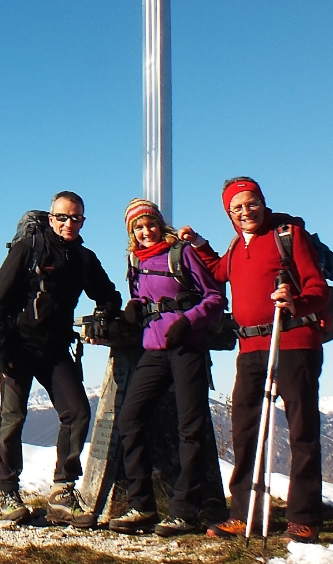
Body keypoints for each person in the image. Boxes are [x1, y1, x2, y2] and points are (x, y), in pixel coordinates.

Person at [195, 177, 328, 544]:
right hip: (250, 348)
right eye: (236, 207)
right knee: (245, 430)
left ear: (263, 203)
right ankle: (244, 514)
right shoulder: (238, 245)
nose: (245, 211)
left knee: (301, 429)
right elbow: (219, 271)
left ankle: (303, 518)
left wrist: (296, 301)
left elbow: (317, 289)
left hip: (294, 341)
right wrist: (198, 245)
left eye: (251, 203)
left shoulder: (288, 235)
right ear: (229, 214)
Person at [0, 191, 121, 525]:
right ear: (51, 218)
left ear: (83, 221)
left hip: (56, 348)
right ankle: (7, 489)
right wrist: (1, 345)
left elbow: (109, 294)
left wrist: (103, 314)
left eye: (75, 218)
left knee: (76, 412)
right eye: (62, 217)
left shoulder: (83, 259)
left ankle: (63, 490)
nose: (68, 223)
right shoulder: (28, 249)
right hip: (18, 346)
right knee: (12, 417)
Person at [109, 199, 224, 537]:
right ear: (132, 232)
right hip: (154, 349)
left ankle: (184, 511)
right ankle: (141, 504)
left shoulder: (181, 254)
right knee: (130, 418)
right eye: (138, 228)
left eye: (150, 224)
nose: (146, 232)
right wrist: (133, 307)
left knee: (189, 426)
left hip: (187, 346)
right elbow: (140, 296)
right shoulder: (135, 260)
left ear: (160, 224)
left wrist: (188, 322)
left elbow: (215, 298)